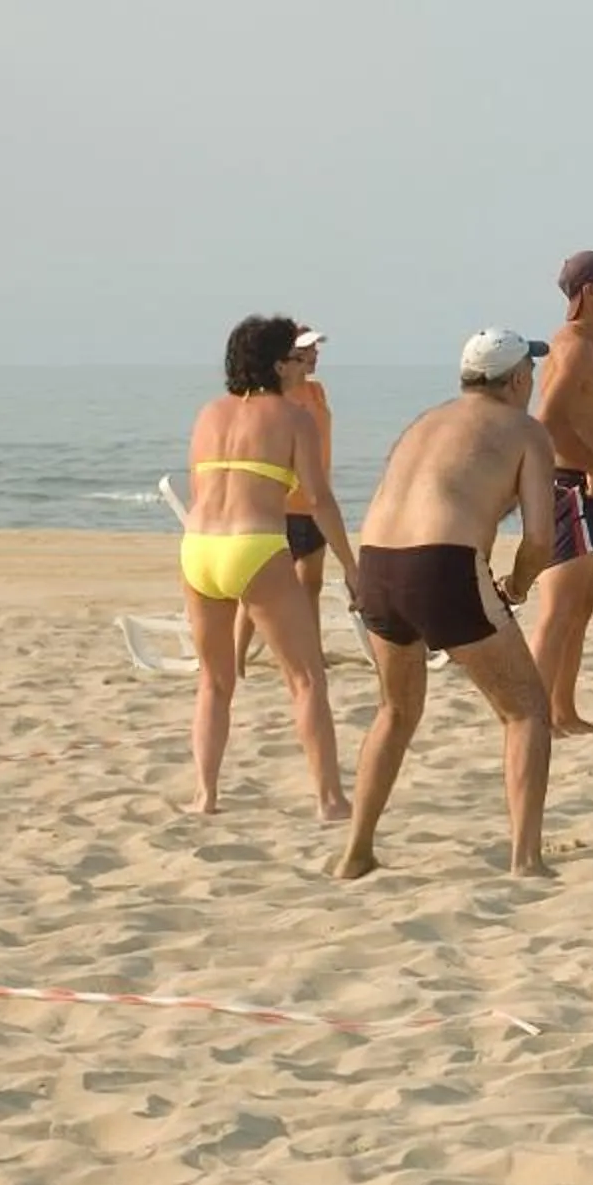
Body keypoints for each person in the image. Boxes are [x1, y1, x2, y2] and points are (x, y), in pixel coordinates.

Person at [335, 330, 561, 881]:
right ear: (514, 380)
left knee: (395, 710)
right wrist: (521, 584)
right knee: (526, 709)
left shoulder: (424, 422)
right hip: (441, 563)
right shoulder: (525, 430)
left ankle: (356, 850)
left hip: (378, 564)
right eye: (529, 370)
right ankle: (526, 860)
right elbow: (538, 537)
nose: (532, 379)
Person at [177, 314, 358, 819]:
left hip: (198, 548)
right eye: (294, 354)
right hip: (252, 545)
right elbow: (318, 500)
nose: (302, 360)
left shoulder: (208, 413)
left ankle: (205, 796)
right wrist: (350, 562)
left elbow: (198, 489)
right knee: (305, 680)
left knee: (214, 682)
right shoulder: (294, 416)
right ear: (278, 364)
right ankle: (330, 800)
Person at [531, 248, 593, 734]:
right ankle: (530, 719)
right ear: (589, 290)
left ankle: (561, 711)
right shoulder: (572, 346)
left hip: (591, 489)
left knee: (582, 605)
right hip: (568, 485)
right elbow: (546, 421)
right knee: (557, 608)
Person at [253, 325, 336, 678]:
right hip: (284, 504)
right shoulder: (275, 397)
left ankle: (312, 651)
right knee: (265, 588)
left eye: (316, 349)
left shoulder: (317, 392)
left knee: (311, 584)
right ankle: (240, 656)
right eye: (306, 350)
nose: (314, 355)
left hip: (314, 501)